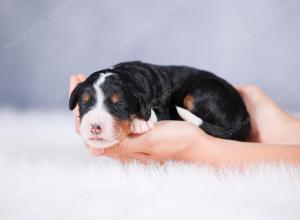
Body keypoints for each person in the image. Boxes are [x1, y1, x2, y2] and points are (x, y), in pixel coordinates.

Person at [70, 74, 300, 167]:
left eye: (116, 104)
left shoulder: (142, 94)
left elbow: (150, 109)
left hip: (215, 101)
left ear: (138, 103)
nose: (95, 121)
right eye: (87, 102)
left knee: (193, 98)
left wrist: (197, 147)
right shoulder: (130, 87)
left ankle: (225, 130)